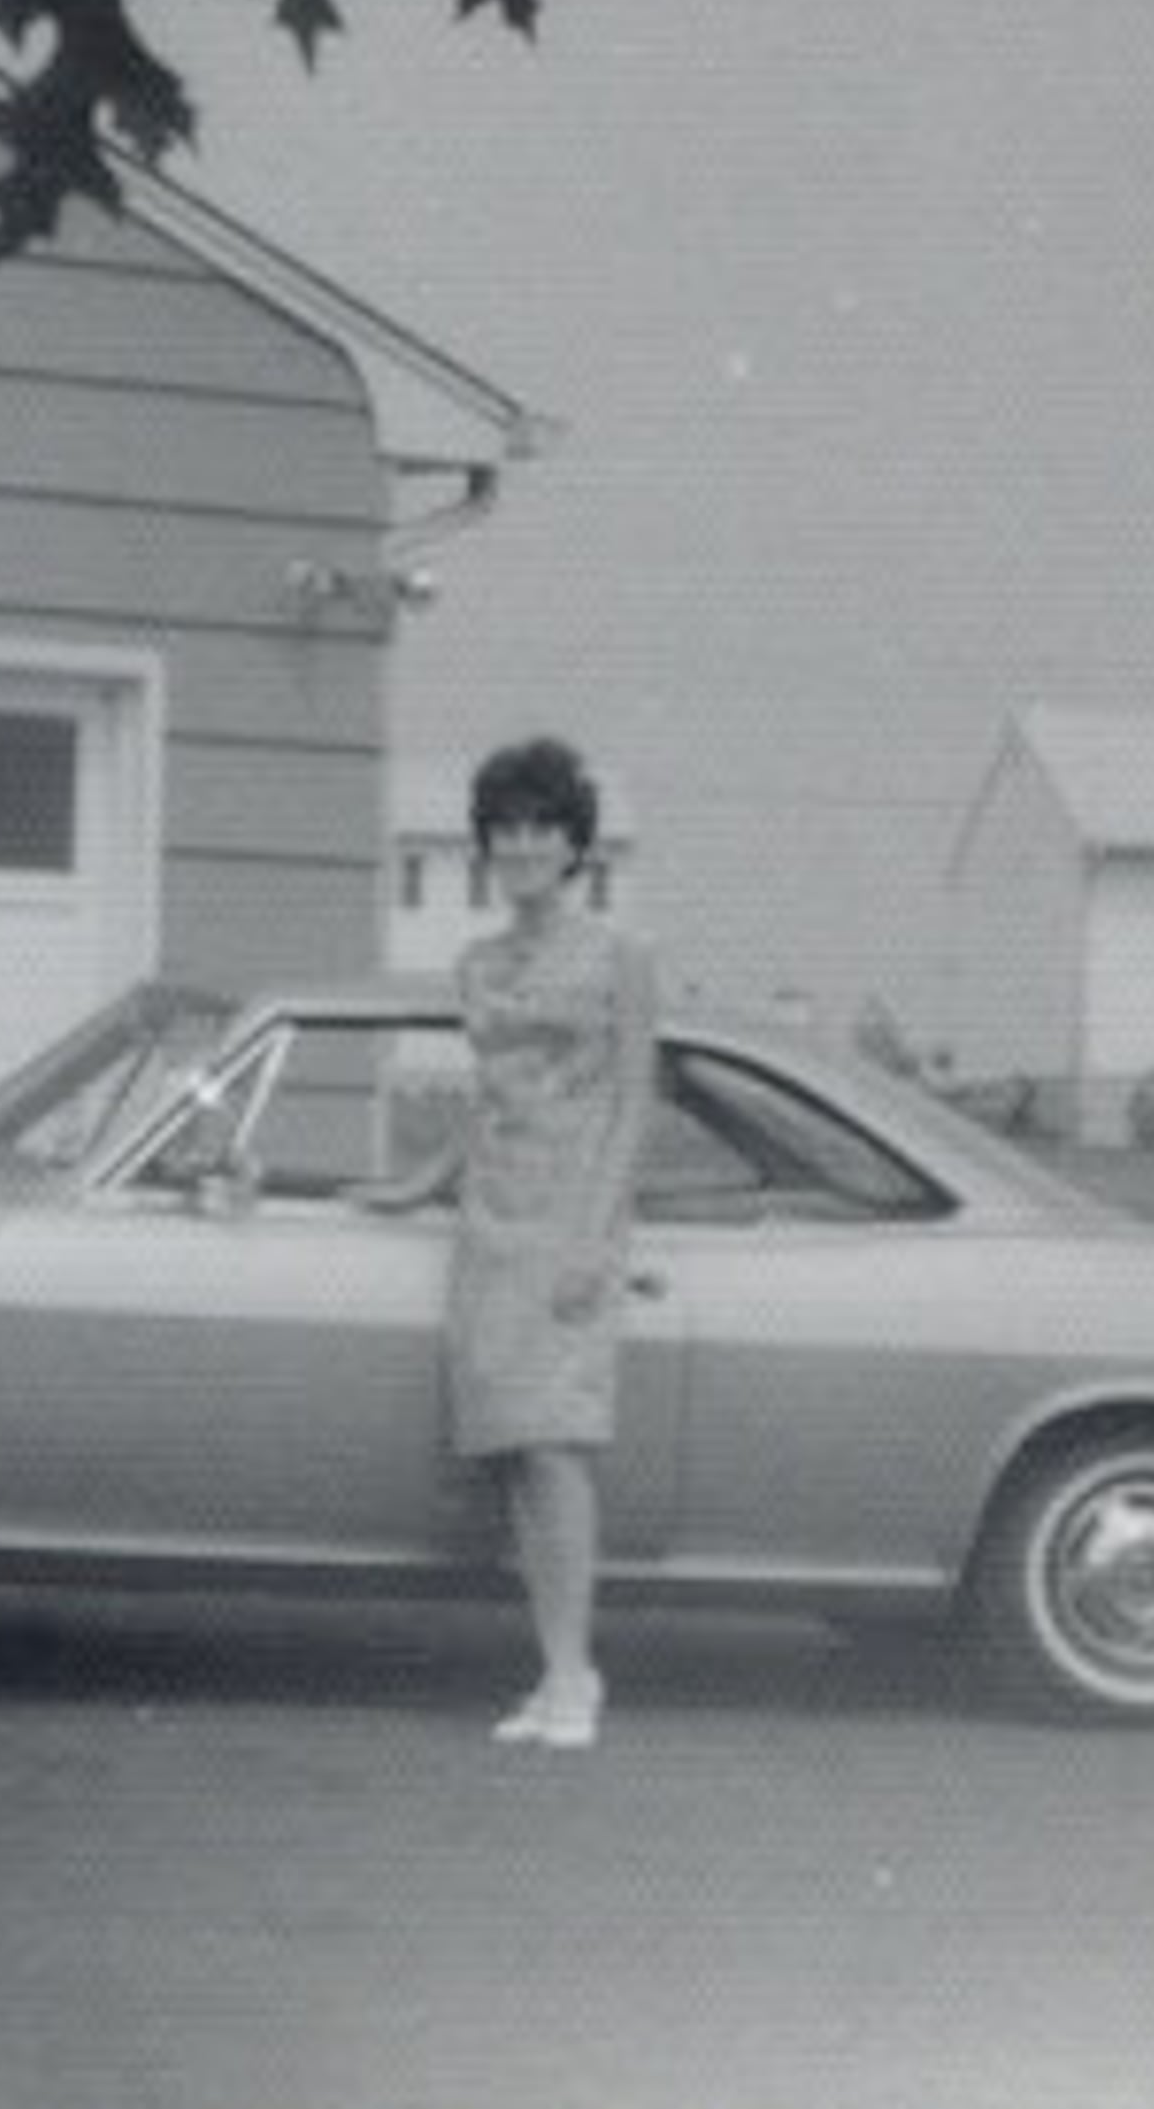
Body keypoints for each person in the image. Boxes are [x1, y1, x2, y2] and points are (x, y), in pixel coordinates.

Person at [352, 737, 657, 1750]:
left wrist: (591, 1237)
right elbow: (490, 1102)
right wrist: (415, 1183)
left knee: (558, 1446)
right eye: (507, 829)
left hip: (572, 1218)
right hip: (489, 1220)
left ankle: (577, 1675)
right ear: (488, 844)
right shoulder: (476, 961)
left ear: (575, 842)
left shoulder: (620, 955)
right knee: (515, 1454)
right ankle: (553, 1669)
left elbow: (633, 1101)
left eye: (543, 826)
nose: (524, 844)